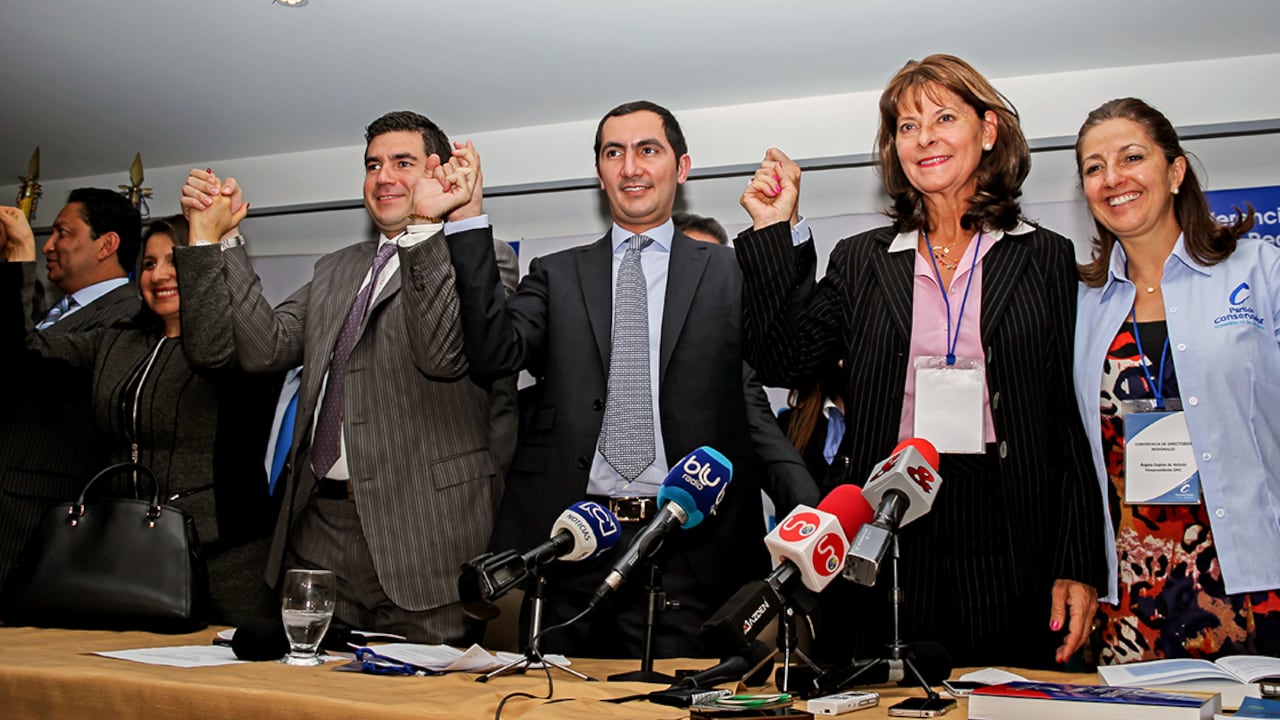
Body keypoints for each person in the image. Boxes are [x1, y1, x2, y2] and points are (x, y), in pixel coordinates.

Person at [733, 54, 1106, 668]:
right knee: (887, 695)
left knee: (1007, 694)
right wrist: (776, 228)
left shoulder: (1044, 257)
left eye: (943, 118)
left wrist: (1077, 562)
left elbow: (1067, 425)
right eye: (907, 126)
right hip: (887, 517)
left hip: (1011, 521)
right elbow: (786, 360)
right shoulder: (862, 259)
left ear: (988, 132)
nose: (924, 137)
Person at [446, 100, 817, 658]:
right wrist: (468, 219)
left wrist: (782, 229)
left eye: (649, 150)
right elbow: (495, 352)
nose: (631, 167)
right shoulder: (557, 272)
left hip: (694, 553)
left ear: (682, 168)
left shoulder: (730, 270)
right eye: (613, 153)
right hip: (573, 548)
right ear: (599, 173)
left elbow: (787, 351)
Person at [175, 110, 519, 643]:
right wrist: (214, 243)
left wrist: (427, 230)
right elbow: (249, 349)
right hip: (321, 535)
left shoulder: (483, 258)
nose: (383, 177)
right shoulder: (335, 268)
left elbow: (443, 355)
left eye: (402, 162)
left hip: (426, 537)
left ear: (439, 171)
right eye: (372, 164)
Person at [1072, 97, 1280, 664]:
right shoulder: (1081, 303)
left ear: (1176, 170)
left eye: (1131, 157)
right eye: (1093, 167)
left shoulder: (1261, 270)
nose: (1112, 178)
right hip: (1131, 594)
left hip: (1256, 578)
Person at [0, 211, 280, 625]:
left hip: (224, 562)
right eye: (149, 264)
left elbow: (216, 356)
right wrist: (20, 256)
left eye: (176, 260)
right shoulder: (117, 339)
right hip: (126, 556)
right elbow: (26, 351)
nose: (160, 274)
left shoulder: (244, 346)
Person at [0, 189, 142, 591]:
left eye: (62, 232)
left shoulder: (127, 315)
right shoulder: (54, 313)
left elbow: (28, 361)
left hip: (33, 511)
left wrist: (19, 258)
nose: (48, 245)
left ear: (107, 244)